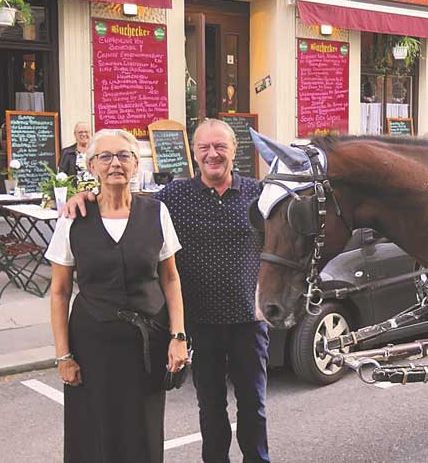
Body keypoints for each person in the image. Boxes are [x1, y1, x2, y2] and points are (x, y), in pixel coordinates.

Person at [64, 118, 268, 463]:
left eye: (220, 146)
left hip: (249, 319)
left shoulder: (260, 195)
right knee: (211, 409)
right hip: (200, 323)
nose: (212, 154)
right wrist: (87, 194)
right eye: (203, 147)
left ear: (235, 151)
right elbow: (130, 205)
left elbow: (289, 236)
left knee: (254, 406)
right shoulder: (174, 197)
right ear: (194, 153)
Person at [46, 129, 188, 463]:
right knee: (92, 434)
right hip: (92, 347)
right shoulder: (73, 218)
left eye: (124, 156)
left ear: (136, 164)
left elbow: (170, 277)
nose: (115, 164)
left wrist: (178, 335)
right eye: (105, 157)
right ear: (91, 166)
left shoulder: (156, 212)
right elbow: (59, 291)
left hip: (146, 348)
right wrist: (63, 355)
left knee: (143, 433)